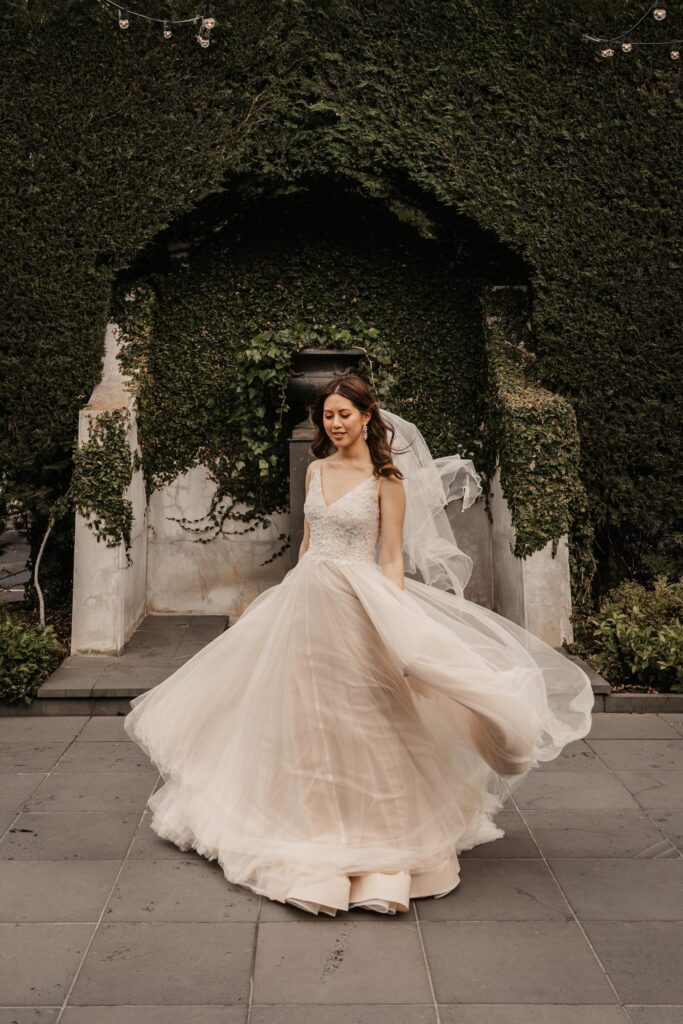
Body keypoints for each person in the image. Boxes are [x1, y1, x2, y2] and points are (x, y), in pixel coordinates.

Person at [124, 371, 594, 916]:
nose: (335, 423)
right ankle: (308, 832)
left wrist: (392, 622)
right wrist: (285, 601)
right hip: (307, 600)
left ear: (367, 417)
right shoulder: (316, 469)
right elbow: (307, 543)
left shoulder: (387, 480)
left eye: (344, 414)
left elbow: (390, 557)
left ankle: (382, 847)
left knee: (369, 714)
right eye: (328, 416)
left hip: (359, 600)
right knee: (306, 714)